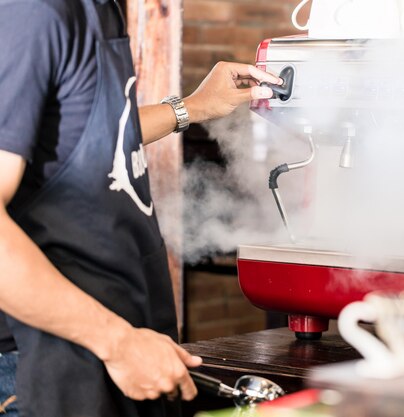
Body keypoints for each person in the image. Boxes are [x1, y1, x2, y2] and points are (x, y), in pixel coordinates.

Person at [0, 0, 280, 416]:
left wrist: (195, 106)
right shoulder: (34, 11)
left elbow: (91, 137)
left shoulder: (99, 8)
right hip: (44, 365)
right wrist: (117, 341)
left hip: (108, 354)